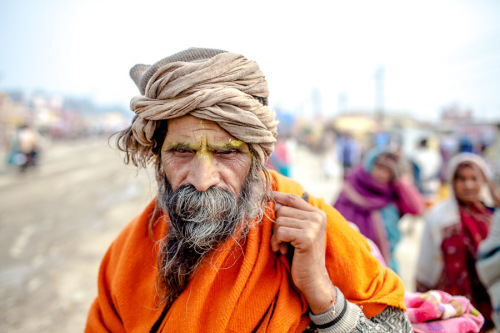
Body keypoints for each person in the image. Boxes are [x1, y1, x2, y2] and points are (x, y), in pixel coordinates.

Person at [85, 48, 412, 332]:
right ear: (158, 158)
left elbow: (397, 327)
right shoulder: (129, 253)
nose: (202, 179)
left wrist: (320, 292)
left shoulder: (308, 224)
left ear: (258, 157)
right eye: (181, 151)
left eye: (227, 152)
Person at [416, 152, 500, 332]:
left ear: (483, 181)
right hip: (451, 303)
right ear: (452, 182)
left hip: (489, 298)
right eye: (461, 179)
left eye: (474, 178)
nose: (468, 185)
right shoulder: (439, 218)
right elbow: (427, 258)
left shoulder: (493, 217)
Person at [333, 148, 425, 273]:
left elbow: (417, 208)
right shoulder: (351, 190)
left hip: (383, 265)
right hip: (348, 262)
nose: (382, 173)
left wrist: (399, 180)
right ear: (369, 165)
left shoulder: (392, 193)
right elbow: (334, 223)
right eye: (379, 167)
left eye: (388, 170)